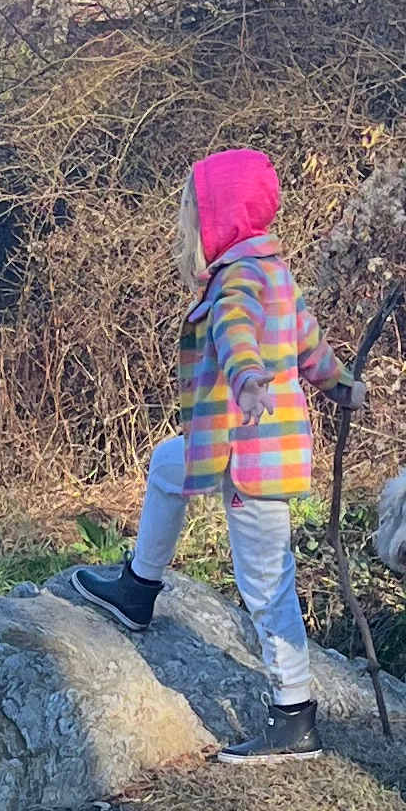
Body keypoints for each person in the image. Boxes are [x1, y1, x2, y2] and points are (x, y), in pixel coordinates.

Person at [62, 144, 358, 765]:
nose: (189, 229)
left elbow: (235, 332)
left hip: (252, 456)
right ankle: (138, 588)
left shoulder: (238, 279)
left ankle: (294, 715)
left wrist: (247, 379)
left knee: (266, 584)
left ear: (221, 217)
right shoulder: (274, 271)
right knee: (167, 465)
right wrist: (341, 385)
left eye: (194, 215)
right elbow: (309, 347)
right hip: (231, 442)